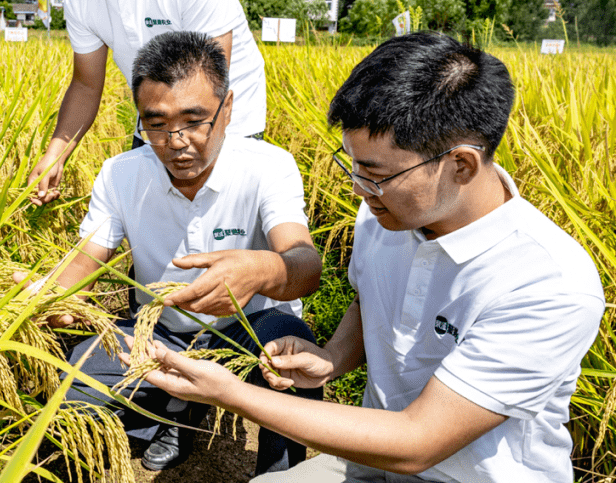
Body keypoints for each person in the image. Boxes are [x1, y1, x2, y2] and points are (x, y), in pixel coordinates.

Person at [122, 32, 605, 483]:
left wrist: (227, 392)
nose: (357, 188)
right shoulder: (385, 213)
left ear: (460, 164)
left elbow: (419, 442)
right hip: (367, 464)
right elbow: (371, 298)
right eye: (352, 164)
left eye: (375, 173)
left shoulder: (549, 282)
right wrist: (331, 358)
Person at [28, 31, 322, 474]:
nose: (176, 141)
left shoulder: (268, 166)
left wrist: (262, 269)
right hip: (158, 331)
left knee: (294, 357)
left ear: (227, 110)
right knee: (74, 386)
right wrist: (48, 297)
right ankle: (177, 410)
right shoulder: (121, 174)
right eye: (157, 124)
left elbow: (305, 266)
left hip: (250, 330)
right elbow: (81, 265)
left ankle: (281, 474)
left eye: (195, 119)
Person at [28, 0, 266, 205]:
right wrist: (57, 153)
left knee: (222, 242)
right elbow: (85, 85)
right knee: (150, 240)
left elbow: (210, 80)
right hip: (155, 122)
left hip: (224, 122)